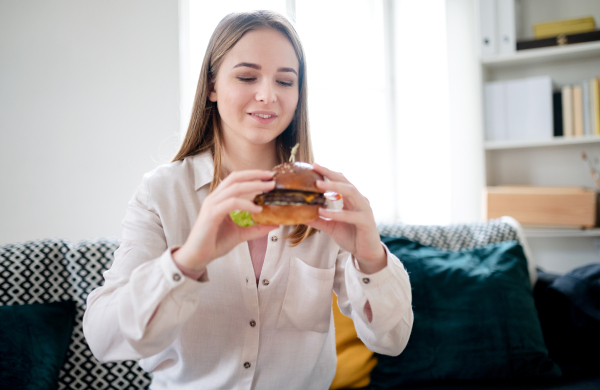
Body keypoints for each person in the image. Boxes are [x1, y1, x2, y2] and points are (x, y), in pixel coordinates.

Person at [83, 10, 413, 390]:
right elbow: (104, 338)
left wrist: (372, 257)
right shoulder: (162, 194)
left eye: (285, 81)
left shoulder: (322, 199)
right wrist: (189, 260)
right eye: (246, 76)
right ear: (211, 86)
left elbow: (392, 340)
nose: (268, 95)